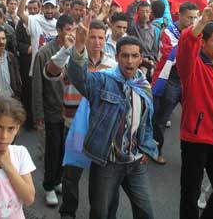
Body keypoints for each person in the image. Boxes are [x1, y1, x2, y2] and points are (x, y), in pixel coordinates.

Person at [66, 13, 158, 219]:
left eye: (135, 56)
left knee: (146, 213)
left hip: (134, 163)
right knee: (101, 213)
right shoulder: (102, 81)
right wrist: (79, 46)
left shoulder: (144, 85)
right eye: (124, 55)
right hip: (107, 161)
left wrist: (146, 147)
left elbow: (147, 120)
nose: (130, 60)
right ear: (116, 58)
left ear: (141, 58)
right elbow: (79, 77)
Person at [45, 19, 117, 218]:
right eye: (92, 37)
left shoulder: (112, 65)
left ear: (105, 40)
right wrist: (70, 49)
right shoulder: (70, 59)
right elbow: (50, 72)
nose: (96, 42)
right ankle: (68, 212)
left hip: (100, 129)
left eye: (100, 38)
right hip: (73, 126)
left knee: (99, 180)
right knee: (71, 176)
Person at [177, 0, 213, 219]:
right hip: (194, 139)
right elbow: (186, 43)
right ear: (203, 42)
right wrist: (202, 20)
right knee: (190, 192)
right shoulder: (191, 68)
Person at [32, 14, 75, 207]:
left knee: (65, 150)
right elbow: (37, 86)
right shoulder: (44, 53)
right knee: (52, 150)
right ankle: (48, 186)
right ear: (58, 31)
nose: (71, 34)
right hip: (51, 110)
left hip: (70, 112)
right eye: (67, 30)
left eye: (73, 30)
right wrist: (39, 114)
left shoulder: (76, 51)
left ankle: (57, 181)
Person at [152, 1, 198, 164]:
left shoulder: (197, 31)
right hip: (171, 79)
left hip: (188, 79)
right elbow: (172, 55)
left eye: (195, 18)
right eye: (189, 18)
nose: (193, 22)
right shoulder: (168, 33)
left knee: (195, 116)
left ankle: (193, 153)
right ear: (179, 15)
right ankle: (156, 150)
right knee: (162, 118)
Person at [17, 0, 58, 77]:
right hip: (37, 70)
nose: (49, 11)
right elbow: (20, 13)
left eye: (52, 7)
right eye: (46, 7)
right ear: (42, 8)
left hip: (55, 70)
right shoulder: (35, 20)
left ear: (55, 9)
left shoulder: (59, 25)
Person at [16, 0, 40, 130]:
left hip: (39, 62)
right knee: (27, 91)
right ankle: (28, 120)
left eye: (34, 8)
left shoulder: (41, 22)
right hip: (26, 62)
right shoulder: (21, 23)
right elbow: (17, 42)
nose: (32, 11)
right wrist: (27, 48)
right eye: (29, 8)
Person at [126, 0, 158, 80]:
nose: (145, 14)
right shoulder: (133, 27)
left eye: (147, 11)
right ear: (138, 12)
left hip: (149, 67)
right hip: (134, 65)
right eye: (142, 11)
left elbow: (154, 50)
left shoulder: (152, 30)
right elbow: (129, 15)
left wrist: (151, 61)